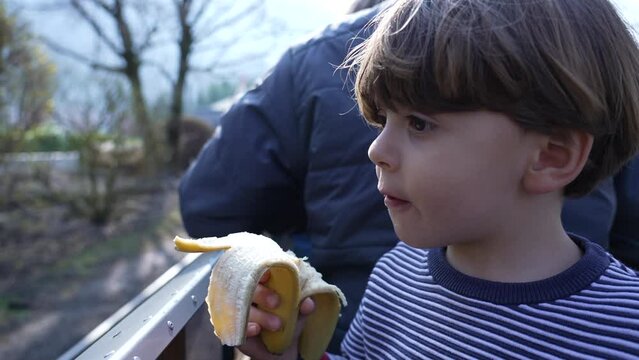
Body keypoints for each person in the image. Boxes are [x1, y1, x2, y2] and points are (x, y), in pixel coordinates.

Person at [237, 0, 639, 358]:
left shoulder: (623, 330)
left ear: (552, 157)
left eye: (419, 124)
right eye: (382, 119)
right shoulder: (397, 275)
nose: (376, 151)